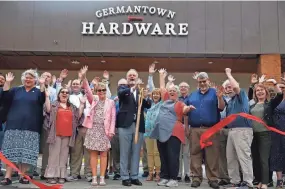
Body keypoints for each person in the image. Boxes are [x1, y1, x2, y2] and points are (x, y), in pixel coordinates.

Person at [150, 68, 195, 187]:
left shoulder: (180, 103)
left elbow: (185, 109)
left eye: (174, 90)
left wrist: (188, 108)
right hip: (161, 132)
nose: (171, 91)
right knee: (163, 155)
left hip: (174, 133)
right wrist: (161, 75)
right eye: (170, 90)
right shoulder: (165, 99)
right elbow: (162, 87)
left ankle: (173, 178)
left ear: (178, 93)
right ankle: (164, 177)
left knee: (172, 156)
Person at [0, 70, 46, 186]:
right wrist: (8, 83)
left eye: (31, 78)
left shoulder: (37, 92)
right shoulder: (16, 90)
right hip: (13, 125)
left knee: (26, 153)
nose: (28, 79)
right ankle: (8, 176)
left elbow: (42, 99)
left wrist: (42, 84)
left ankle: (23, 175)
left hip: (31, 127)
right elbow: (5, 98)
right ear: (23, 79)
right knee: (10, 152)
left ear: (35, 80)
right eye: (26, 77)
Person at [185, 72, 225, 189]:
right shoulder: (192, 95)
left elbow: (222, 108)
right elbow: (186, 114)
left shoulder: (215, 93)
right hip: (195, 130)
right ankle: (196, 178)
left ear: (208, 80)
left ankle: (212, 179)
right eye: (200, 82)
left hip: (211, 130)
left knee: (212, 155)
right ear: (197, 82)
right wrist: (186, 128)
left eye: (204, 81)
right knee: (195, 154)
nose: (202, 83)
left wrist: (220, 97)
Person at [80, 66, 116, 186]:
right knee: (93, 154)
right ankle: (94, 177)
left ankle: (102, 178)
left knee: (104, 154)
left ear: (106, 91)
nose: (101, 92)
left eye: (103, 90)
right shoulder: (93, 99)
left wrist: (111, 132)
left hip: (104, 130)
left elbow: (113, 118)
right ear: (96, 91)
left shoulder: (111, 102)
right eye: (99, 90)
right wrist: (84, 77)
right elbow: (86, 89)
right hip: (93, 129)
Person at [117, 69, 151, 186]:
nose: (132, 77)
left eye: (134, 75)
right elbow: (121, 95)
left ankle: (134, 176)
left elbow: (148, 105)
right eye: (130, 75)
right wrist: (133, 87)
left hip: (138, 125)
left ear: (137, 77)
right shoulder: (123, 89)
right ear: (127, 78)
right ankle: (125, 176)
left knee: (136, 152)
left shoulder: (141, 90)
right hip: (125, 125)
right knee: (124, 152)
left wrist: (146, 97)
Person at [44, 87, 85, 184]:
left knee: (64, 156)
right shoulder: (54, 104)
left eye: (67, 92)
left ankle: (62, 175)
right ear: (59, 94)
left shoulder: (72, 106)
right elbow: (48, 109)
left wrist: (82, 104)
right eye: (62, 92)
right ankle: (51, 176)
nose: (64, 94)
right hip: (55, 134)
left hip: (68, 135)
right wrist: (47, 97)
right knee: (54, 155)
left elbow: (78, 116)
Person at [248, 79, 282, 189]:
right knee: (256, 160)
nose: (260, 92)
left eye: (262, 90)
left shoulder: (269, 104)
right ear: (255, 93)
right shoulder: (252, 106)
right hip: (253, 135)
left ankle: (265, 182)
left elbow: (280, 95)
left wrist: (275, 83)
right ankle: (259, 181)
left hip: (265, 135)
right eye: (257, 90)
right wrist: (253, 84)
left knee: (264, 159)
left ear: (265, 92)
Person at [224, 68, 254, 189]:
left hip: (243, 130)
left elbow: (236, 87)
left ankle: (248, 182)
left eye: (230, 86)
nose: (229, 88)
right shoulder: (230, 101)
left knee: (243, 156)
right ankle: (235, 181)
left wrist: (229, 74)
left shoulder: (241, 95)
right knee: (230, 157)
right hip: (231, 131)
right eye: (226, 87)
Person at [144, 64, 161, 182]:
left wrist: (159, 77)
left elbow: (156, 88)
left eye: (157, 94)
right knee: (149, 153)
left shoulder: (162, 104)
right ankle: (150, 173)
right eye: (153, 94)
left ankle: (158, 173)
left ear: (160, 96)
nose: (155, 95)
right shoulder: (149, 104)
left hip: (158, 132)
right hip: (148, 132)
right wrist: (150, 75)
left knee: (157, 153)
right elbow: (151, 87)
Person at [270, 82, 285, 189]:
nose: (282, 89)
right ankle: (279, 180)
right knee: (277, 154)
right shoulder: (276, 101)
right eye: (281, 88)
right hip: (277, 132)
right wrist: (275, 84)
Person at [178, 81, 191, 183]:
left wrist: (187, 127)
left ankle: (187, 173)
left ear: (188, 88)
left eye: (184, 87)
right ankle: (178, 174)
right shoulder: (177, 100)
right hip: (177, 126)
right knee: (178, 152)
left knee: (186, 153)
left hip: (188, 126)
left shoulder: (191, 99)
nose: (182, 88)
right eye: (181, 87)